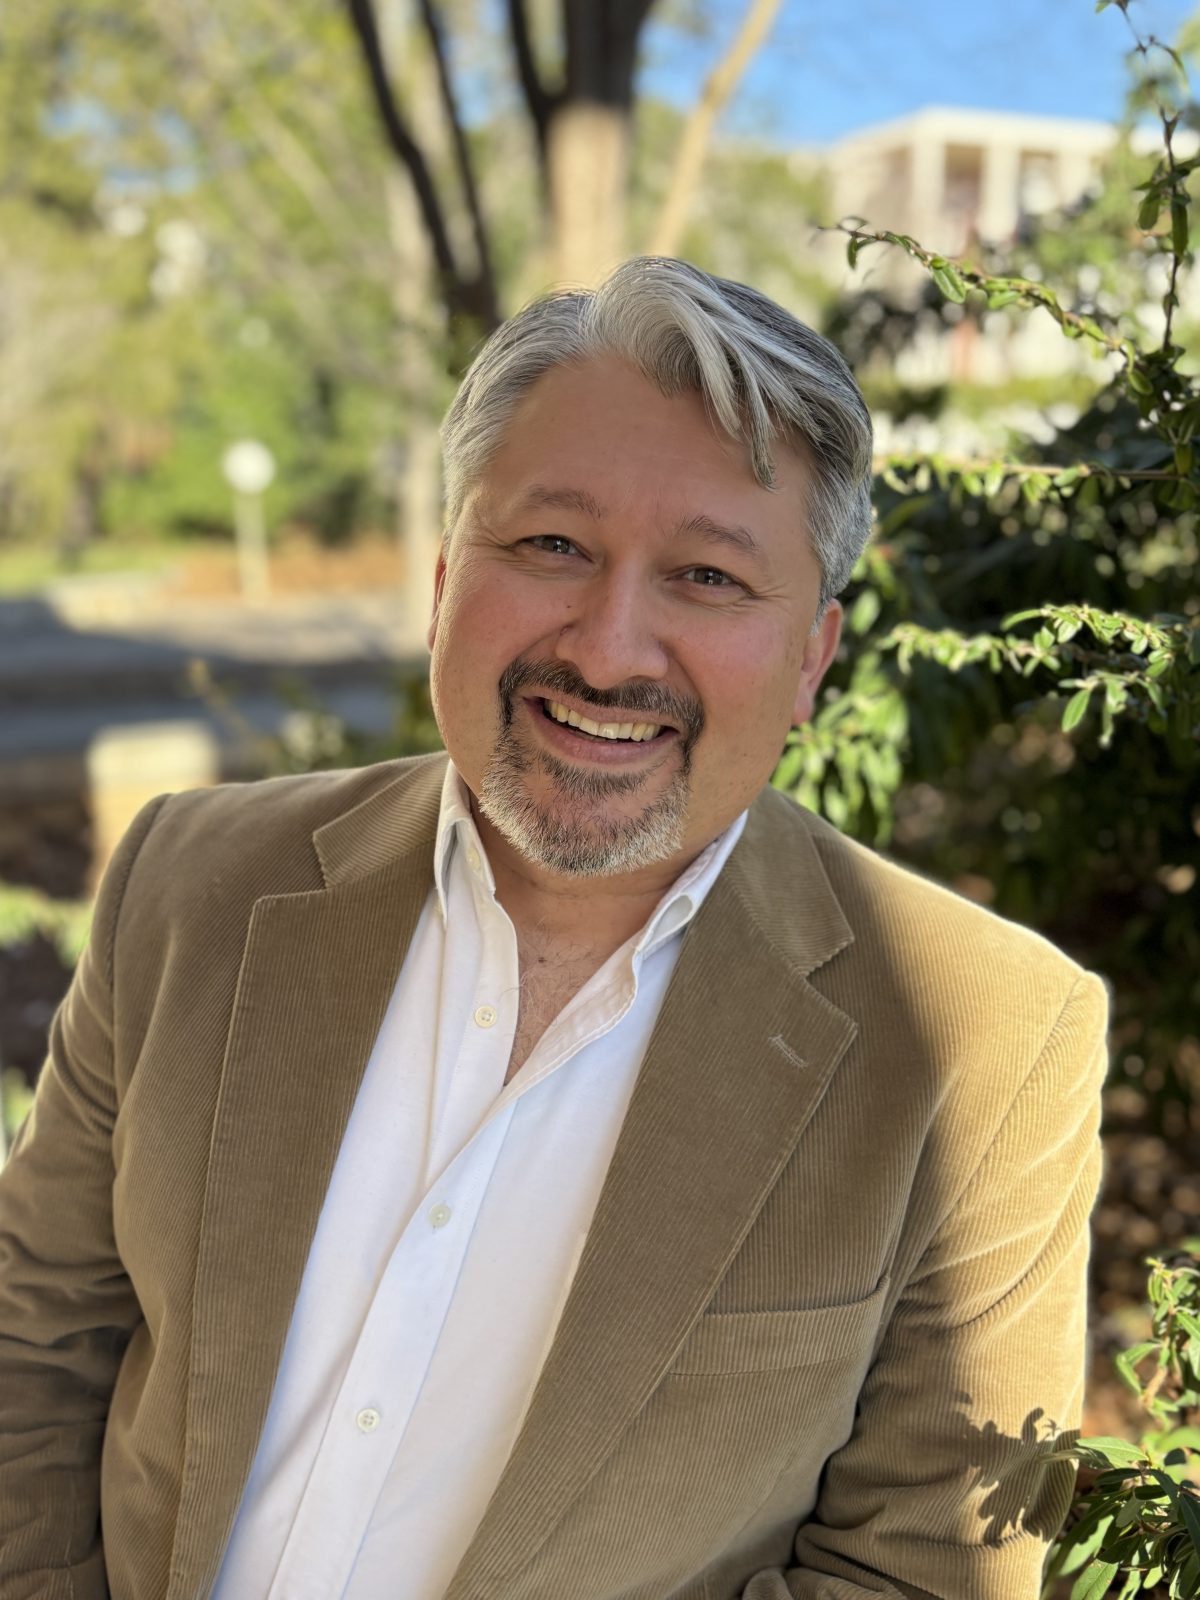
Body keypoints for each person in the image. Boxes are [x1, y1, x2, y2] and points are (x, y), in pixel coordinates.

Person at [0, 257, 1106, 1600]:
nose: (609, 647)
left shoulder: (982, 1043)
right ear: (444, 579)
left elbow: (920, 1571)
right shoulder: (192, 883)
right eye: (552, 548)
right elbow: (33, 1348)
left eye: (709, 575)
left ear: (812, 657)